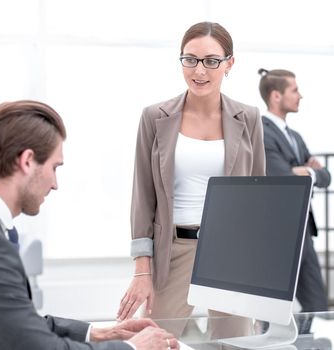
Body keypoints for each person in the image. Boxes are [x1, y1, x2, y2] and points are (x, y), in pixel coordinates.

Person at [0, 100, 178, 350]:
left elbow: (15, 323)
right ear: (27, 161)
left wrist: (100, 333)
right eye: (54, 167)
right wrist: (135, 348)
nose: (55, 184)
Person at [116, 22, 265, 323]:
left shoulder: (248, 117)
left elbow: (259, 196)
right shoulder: (155, 117)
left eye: (211, 61)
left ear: (229, 64)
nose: (199, 71)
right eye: (190, 59)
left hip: (231, 252)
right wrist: (142, 270)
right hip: (173, 250)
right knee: (157, 338)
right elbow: (142, 197)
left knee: (235, 345)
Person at [258, 68, 330, 312]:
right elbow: (282, 178)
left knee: (317, 305)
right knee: (272, 311)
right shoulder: (261, 132)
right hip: (276, 234)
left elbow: (325, 176)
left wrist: (305, 172)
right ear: (276, 95)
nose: (300, 96)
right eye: (295, 90)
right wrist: (305, 171)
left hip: (304, 230)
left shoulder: (295, 137)